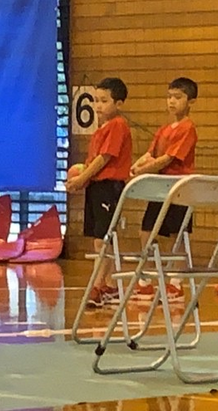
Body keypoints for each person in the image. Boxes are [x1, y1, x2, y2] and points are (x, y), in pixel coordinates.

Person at [65, 77, 133, 308]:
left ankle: (97, 285)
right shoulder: (100, 130)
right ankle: (110, 286)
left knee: (103, 239)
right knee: (101, 239)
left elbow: (104, 159)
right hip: (96, 187)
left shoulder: (118, 125)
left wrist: (82, 177)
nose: (98, 106)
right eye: (96, 100)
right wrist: (81, 176)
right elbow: (92, 161)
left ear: (119, 103)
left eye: (104, 101)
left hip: (109, 187)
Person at [130, 77, 198, 299]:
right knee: (146, 231)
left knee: (177, 235)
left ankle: (176, 283)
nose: (172, 101)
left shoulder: (188, 128)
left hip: (179, 187)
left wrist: (144, 170)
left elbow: (168, 158)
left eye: (178, 97)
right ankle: (146, 280)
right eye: (169, 97)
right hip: (159, 189)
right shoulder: (163, 129)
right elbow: (151, 153)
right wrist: (137, 164)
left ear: (191, 101)